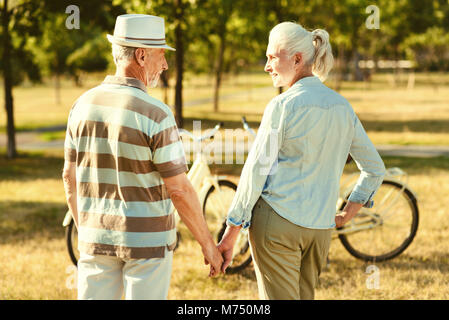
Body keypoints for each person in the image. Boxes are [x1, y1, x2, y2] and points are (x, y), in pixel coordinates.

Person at [217, 22, 386, 300]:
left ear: (297, 59)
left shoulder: (282, 106)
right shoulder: (342, 106)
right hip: (320, 231)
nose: (266, 65)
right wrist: (347, 214)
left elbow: (256, 171)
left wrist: (232, 230)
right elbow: (374, 169)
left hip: (277, 225)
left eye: (272, 57)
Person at [62, 14, 223, 300]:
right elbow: (179, 189)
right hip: (147, 249)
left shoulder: (81, 106)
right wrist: (208, 245)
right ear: (140, 55)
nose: (165, 64)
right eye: (161, 55)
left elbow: (69, 177)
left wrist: (86, 228)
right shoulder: (157, 114)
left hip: (93, 240)